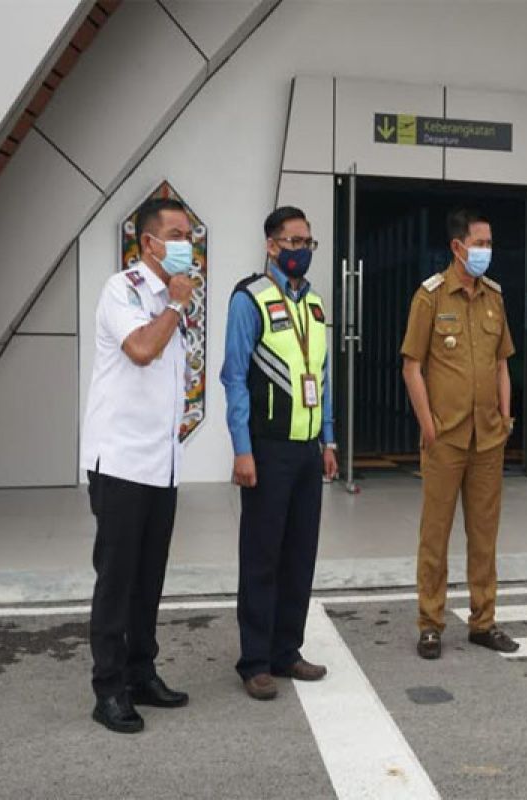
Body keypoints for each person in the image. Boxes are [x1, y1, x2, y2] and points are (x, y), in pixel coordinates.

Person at [80, 197, 194, 733]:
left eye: (189, 235)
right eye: (176, 234)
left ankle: (141, 671)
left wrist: (176, 306)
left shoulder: (177, 300)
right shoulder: (121, 290)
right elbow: (143, 350)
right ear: (148, 242)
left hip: (161, 462)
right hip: (121, 459)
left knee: (149, 578)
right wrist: (173, 306)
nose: (185, 245)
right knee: (117, 578)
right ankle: (108, 689)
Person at [220, 205, 339, 701]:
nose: (302, 252)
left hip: (307, 450)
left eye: (308, 243)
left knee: (299, 555)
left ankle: (287, 651)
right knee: (262, 556)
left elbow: (323, 376)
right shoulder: (250, 299)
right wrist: (242, 450)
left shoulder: (313, 305)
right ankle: (254, 660)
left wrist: (328, 440)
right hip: (267, 450)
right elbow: (233, 379)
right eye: (293, 243)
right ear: (271, 246)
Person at [401, 209, 518, 660]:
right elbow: (412, 366)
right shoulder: (429, 298)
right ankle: (431, 623)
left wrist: (506, 419)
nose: (486, 251)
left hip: (488, 438)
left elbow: (503, 362)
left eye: (489, 244)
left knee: (484, 535)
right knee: (436, 534)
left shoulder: (494, 298)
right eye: (480, 243)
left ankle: (482, 621)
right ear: (457, 247)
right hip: (445, 437)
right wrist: (428, 426)